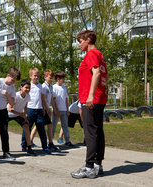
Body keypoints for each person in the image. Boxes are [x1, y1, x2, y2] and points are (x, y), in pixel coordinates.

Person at [71, 30, 108, 179]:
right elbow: (104, 75)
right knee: (97, 131)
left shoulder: (91, 54)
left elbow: (97, 73)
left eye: (81, 41)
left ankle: (89, 166)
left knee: (90, 132)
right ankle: (97, 165)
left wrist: (90, 95)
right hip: (100, 98)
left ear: (88, 40)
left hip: (91, 99)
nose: (79, 44)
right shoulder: (100, 55)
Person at [0, 80, 36, 155]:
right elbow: (9, 109)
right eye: (26, 87)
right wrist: (20, 114)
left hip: (17, 115)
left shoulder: (28, 96)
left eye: (29, 88)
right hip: (8, 114)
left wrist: (26, 117)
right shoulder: (16, 96)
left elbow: (25, 106)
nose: (28, 89)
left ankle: (29, 148)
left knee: (26, 127)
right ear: (21, 87)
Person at [21, 68, 51, 154]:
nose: (36, 77)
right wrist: (25, 111)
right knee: (27, 128)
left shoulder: (40, 86)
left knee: (41, 128)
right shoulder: (28, 86)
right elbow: (24, 99)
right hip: (30, 109)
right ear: (31, 76)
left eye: (37, 76)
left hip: (39, 110)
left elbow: (42, 98)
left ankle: (45, 146)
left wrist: (45, 108)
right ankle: (24, 145)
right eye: (34, 75)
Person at [30, 70, 60, 152]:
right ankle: (50, 143)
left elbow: (51, 99)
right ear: (45, 77)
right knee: (48, 125)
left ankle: (31, 140)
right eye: (50, 77)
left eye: (52, 78)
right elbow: (42, 99)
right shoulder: (43, 86)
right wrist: (46, 109)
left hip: (46, 108)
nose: (51, 79)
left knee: (39, 125)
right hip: (42, 108)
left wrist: (55, 109)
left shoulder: (51, 86)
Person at [52, 71, 74, 147]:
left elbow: (66, 99)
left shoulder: (64, 88)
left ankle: (67, 140)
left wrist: (67, 110)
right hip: (56, 110)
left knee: (65, 126)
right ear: (58, 79)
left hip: (64, 110)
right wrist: (56, 110)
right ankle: (50, 142)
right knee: (53, 126)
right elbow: (53, 100)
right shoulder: (54, 87)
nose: (64, 80)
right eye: (62, 78)